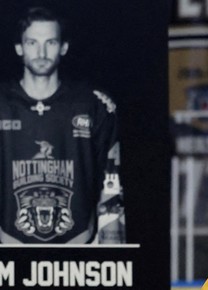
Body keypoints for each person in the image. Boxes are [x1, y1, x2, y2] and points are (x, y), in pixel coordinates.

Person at [0, 6, 126, 244]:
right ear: (19, 48)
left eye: (50, 42)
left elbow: (112, 183)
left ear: (63, 47)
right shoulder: (2, 104)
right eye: (32, 43)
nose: (41, 52)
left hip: (78, 249)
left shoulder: (93, 105)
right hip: (7, 250)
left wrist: (112, 249)